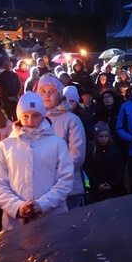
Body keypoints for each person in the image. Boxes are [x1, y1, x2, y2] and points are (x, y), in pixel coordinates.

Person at [0, 92, 74, 230]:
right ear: (19, 116)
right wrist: (16, 206)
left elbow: (65, 179)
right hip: (16, 222)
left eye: (35, 115)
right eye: (25, 116)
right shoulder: (6, 145)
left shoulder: (57, 143)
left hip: (52, 218)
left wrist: (43, 204)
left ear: (42, 115)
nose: (30, 120)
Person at [37, 74, 87, 209]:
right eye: (43, 91)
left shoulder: (72, 120)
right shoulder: (34, 120)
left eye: (52, 91)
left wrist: (54, 175)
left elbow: (76, 155)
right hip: (40, 191)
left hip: (68, 189)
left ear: (59, 94)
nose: (47, 95)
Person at [84, 122, 126, 203]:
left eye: (106, 136)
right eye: (101, 136)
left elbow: (119, 169)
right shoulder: (91, 151)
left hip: (113, 189)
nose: (104, 139)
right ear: (96, 136)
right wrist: (97, 184)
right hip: (96, 189)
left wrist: (112, 184)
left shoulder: (114, 150)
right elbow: (88, 170)